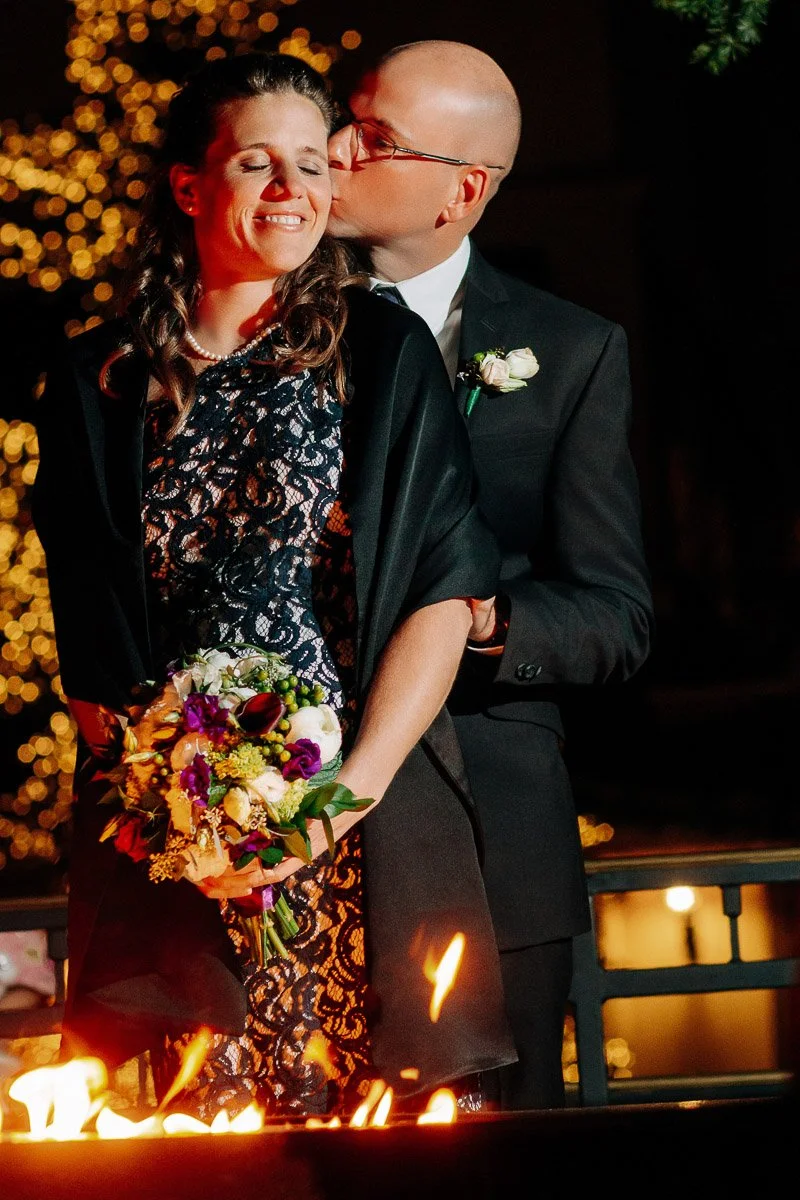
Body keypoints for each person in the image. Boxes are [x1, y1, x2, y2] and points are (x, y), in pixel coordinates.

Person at [31, 51, 517, 1118]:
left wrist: (339, 803)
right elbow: (90, 644)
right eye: (258, 163)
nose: (294, 189)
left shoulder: (381, 354)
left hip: (362, 829)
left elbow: (442, 591)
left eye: (311, 162)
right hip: (169, 855)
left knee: (392, 1151)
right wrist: (182, 826)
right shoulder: (93, 382)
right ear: (191, 186)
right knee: (193, 1146)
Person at [327, 40, 654, 1110]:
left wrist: (474, 622)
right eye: (344, 120)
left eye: (371, 141)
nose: (330, 153)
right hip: (295, 820)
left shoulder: (567, 351)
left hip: (492, 841)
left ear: (462, 190)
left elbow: (613, 614)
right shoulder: (256, 328)